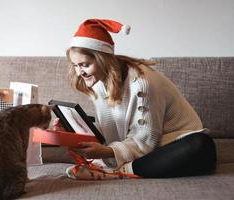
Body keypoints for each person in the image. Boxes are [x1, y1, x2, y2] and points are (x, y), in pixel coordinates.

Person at [54, 19, 216, 180]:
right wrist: (71, 131)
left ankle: (115, 173)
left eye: (84, 64)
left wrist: (107, 152)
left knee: (201, 144)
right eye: (75, 65)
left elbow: (146, 140)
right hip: (146, 153)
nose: (79, 72)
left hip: (172, 144)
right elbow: (110, 131)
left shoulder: (142, 84)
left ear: (103, 59)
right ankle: (123, 170)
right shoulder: (97, 81)